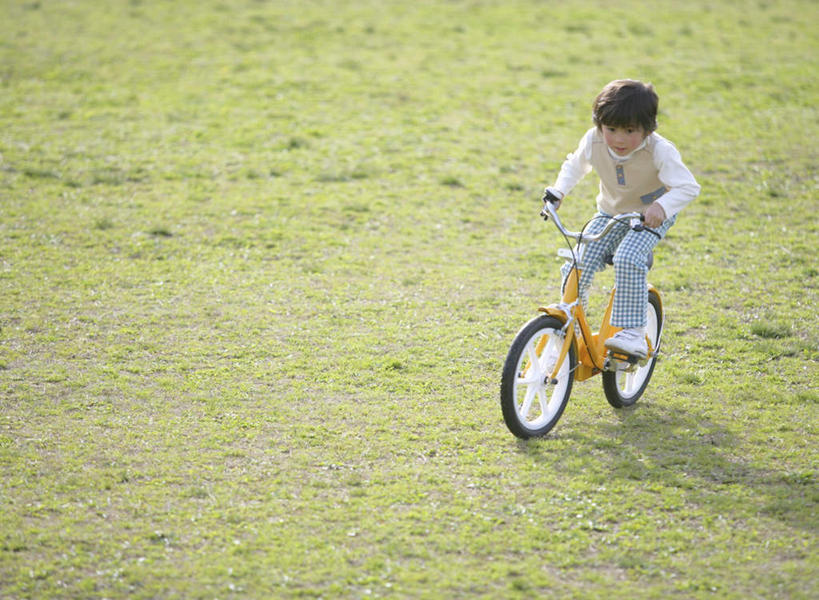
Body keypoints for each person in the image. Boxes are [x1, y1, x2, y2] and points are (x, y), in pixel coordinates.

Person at [543, 79, 700, 358]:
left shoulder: (659, 150)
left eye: (630, 131)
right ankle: (568, 324)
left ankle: (633, 333)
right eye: (611, 129)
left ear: (648, 129)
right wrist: (559, 191)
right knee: (579, 259)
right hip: (610, 212)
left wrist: (661, 207)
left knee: (628, 257)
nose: (618, 139)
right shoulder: (593, 140)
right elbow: (575, 165)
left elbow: (688, 186)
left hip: (649, 216)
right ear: (599, 125)